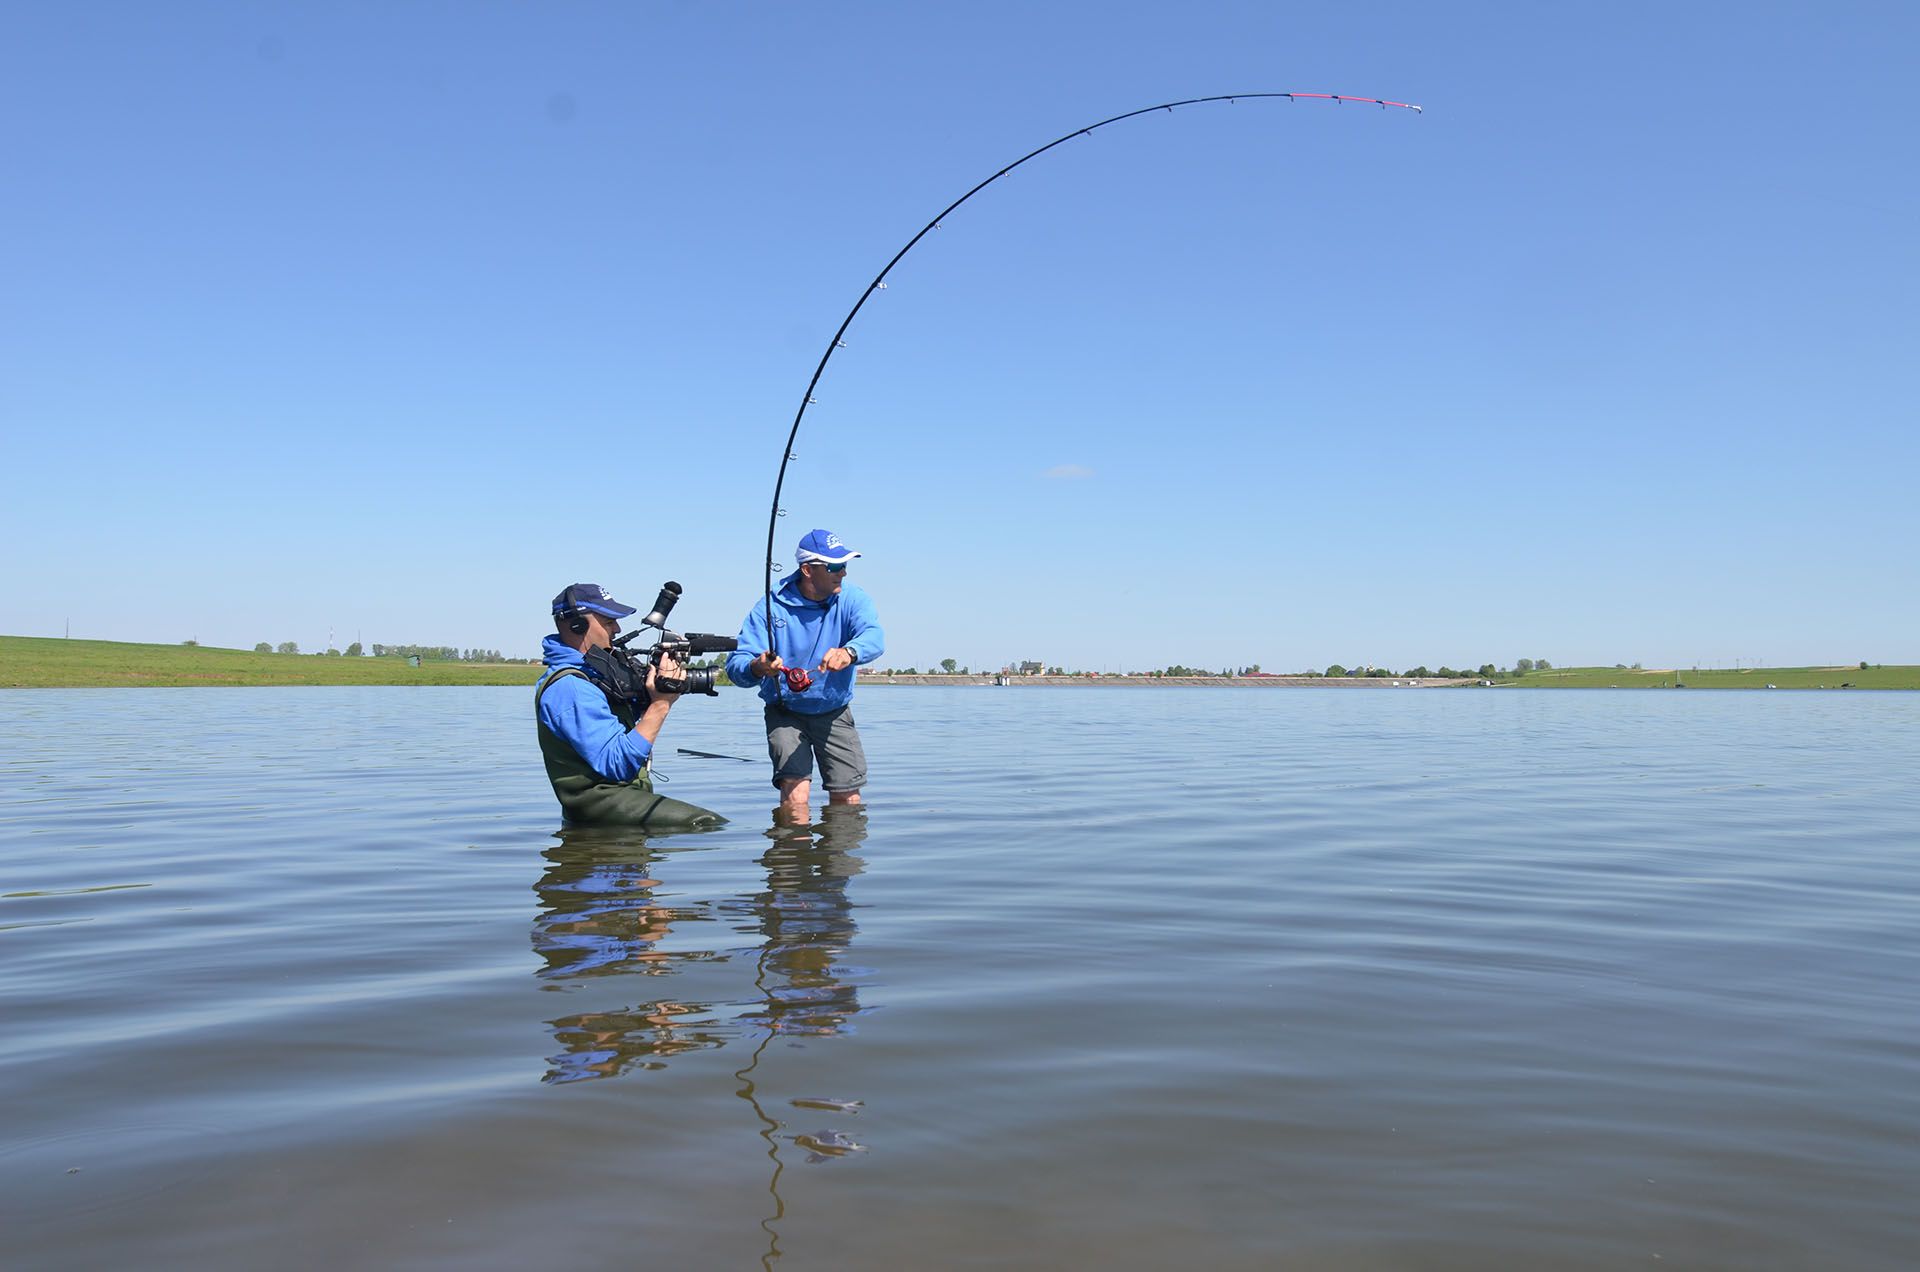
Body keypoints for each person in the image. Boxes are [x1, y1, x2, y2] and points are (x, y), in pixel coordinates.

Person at [535, 583, 724, 829]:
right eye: (608, 621)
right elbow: (616, 764)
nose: (617, 628)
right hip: (601, 803)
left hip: (614, 802)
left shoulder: (591, 674)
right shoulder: (571, 688)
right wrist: (661, 704)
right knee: (707, 823)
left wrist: (652, 691)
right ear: (577, 625)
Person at [727, 530, 884, 817]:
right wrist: (758, 667)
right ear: (808, 570)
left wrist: (849, 652)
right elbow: (737, 664)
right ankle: (793, 857)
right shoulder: (770, 606)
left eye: (845, 565)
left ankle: (837, 861)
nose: (843, 573)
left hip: (834, 710)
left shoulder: (853, 598)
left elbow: (874, 637)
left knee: (848, 798)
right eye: (834, 567)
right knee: (796, 796)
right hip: (785, 711)